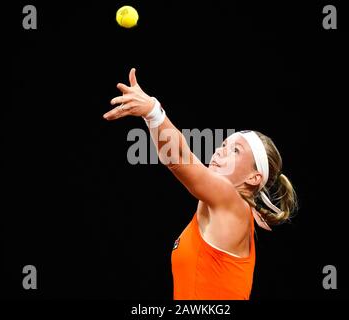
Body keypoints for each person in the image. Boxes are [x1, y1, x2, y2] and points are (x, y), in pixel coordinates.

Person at [104, 68, 298, 300]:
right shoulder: (222, 206)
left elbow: (178, 159)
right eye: (224, 144)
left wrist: (153, 112)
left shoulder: (232, 202)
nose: (220, 151)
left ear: (253, 178)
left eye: (235, 150)